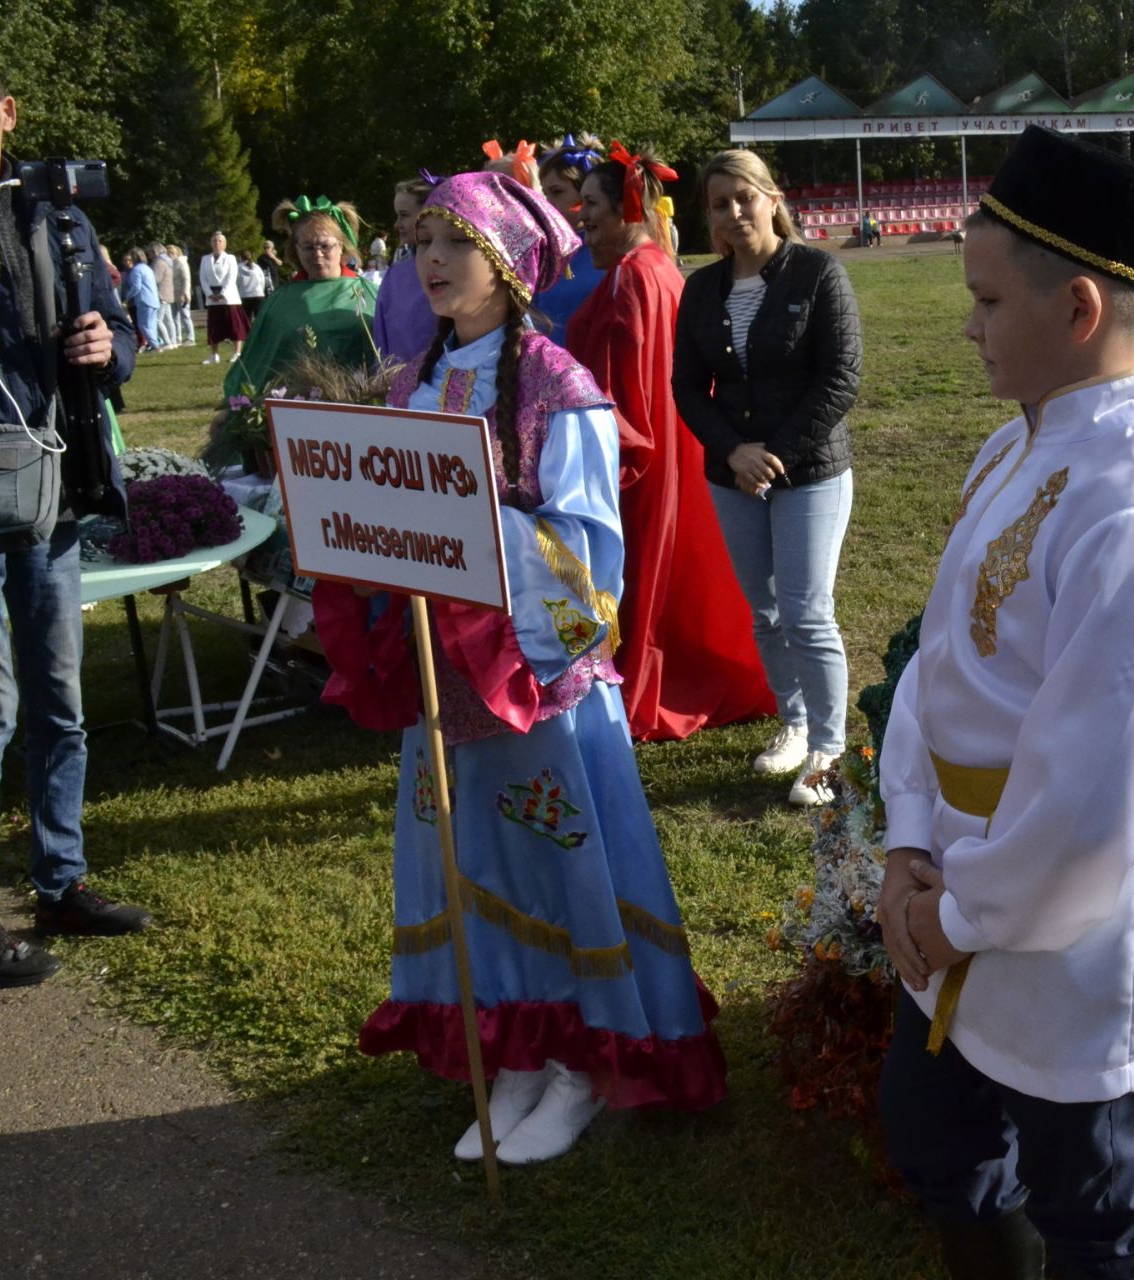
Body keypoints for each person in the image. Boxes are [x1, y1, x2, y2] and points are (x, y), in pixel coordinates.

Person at [875, 125, 1134, 1280]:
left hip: (1066, 924)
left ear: (1079, 311)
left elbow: (1089, 800)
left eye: (985, 300)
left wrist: (959, 911)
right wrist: (907, 837)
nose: (967, 326)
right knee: (935, 1133)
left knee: (1093, 1195)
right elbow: (941, 661)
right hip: (956, 878)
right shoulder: (1014, 445)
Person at [314, 170, 726, 1164]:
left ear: (506, 260)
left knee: (556, 859)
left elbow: (589, 552)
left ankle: (585, 1059)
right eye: (420, 245)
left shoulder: (556, 383)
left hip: (532, 681)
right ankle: (518, 1050)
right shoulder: (413, 381)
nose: (433, 263)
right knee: (471, 860)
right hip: (443, 683)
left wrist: (470, 531)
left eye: (453, 244)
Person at [0, 38, 151, 987]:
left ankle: (61, 881)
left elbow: (121, 331)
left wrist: (111, 346)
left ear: (6, 115)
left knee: (61, 702)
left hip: (53, 491)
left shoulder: (56, 216)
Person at [565, 145, 774, 742]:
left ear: (629, 208)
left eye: (594, 206)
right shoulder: (651, 267)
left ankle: (659, 675)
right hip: (669, 449)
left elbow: (628, 388)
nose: (584, 219)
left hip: (641, 455)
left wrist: (610, 455)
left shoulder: (634, 278)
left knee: (650, 569)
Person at [673, 149, 861, 806]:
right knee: (767, 612)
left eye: (743, 198)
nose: (732, 213)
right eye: (719, 203)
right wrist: (734, 453)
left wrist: (772, 453)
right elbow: (689, 388)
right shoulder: (700, 288)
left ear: (772, 198)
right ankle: (795, 723)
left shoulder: (818, 274)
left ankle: (829, 751)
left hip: (809, 470)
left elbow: (839, 379)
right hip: (735, 477)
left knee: (809, 613)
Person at [223, 196, 378, 405]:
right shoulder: (280, 301)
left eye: (325, 246)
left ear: (341, 245)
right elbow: (257, 359)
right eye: (308, 247)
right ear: (295, 250)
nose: (317, 254)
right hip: (297, 414)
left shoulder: (371, 293)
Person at [530, 135, 608, 347]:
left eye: (557, 192)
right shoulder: (544, 254)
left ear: (587, 193)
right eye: (545, 194)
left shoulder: (608, 253)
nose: (547, 203)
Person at [371, 174, 441, 362]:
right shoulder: (396, 274)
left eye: (404, 215)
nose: (397, 224)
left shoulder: (447, 269)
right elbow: (381, 334)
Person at [198, 230, 247, 362]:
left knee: (234, 325)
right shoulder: (205, 259)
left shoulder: (230, 258)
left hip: (229, 297)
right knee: (214, 326)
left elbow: (231, 277)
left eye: (220, 241)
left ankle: (237, 352)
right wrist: (210, 294)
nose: (217, 243)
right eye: (214, 241)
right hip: (212, 298)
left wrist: (222, 293)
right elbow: (203, 278)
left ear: (224, 244)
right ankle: (214, 355)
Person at [122, 248, 162, 350]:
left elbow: (136, 287)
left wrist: (127, 298)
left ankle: (155, 345)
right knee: (151, 324)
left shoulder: (136, 270)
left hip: (144, 299)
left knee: (143, 325)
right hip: (153, 299)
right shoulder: (147, 268)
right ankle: (155, 344)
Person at [150, 240, 178, 349]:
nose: (149, 255)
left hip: (161, 294)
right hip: (168, 294)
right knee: (168, 319)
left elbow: (156, 279)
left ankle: (167, 342)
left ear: (155, 251)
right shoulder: (167, 261)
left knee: (157, 320)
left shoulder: (159, 262)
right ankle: (173, 341)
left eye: (151, 252)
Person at [167, 242, 194, 346]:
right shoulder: (170, 264)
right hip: (172, 294)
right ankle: (178, 338)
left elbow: (186, 278)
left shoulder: (182, 263)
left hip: (182, 294)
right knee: (174, 318)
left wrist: (186, 292)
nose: (169, 256)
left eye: (171, 254)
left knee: (185, 316)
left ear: (175, 253)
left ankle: (191, 338)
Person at [236, 249, 267, 319]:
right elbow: (262, 281)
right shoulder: (257, 267)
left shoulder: (238, 268)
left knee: (246, 320)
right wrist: (261, 291)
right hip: (258, 294)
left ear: (240, 257)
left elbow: (236, 282)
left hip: (244, 295)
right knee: (259, 319)